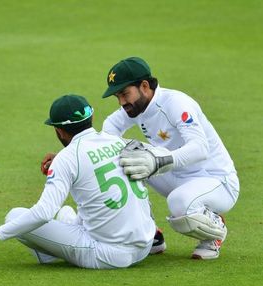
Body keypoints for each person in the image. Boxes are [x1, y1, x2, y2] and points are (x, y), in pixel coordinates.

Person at [0, 94, 156, 269]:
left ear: (59, 131)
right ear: (91, 118)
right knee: (65, 213)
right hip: (144, 246)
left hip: (108, 255)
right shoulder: (116, 141)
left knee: (14, 216)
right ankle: (53, 249)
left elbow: (44, 212)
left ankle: (49, 254)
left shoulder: (68, 157)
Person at [100, 57, 240, 260]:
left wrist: (158, 160)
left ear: (144, 86)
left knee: (178, 203)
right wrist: (68, 157)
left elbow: (200, 148)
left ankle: (214, 230)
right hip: (176, 176)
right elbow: (107, 133)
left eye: (124, 94)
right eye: (118, 97)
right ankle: (149, 234)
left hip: (217, 181)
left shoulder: (176, 103)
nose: (122, 102)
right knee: (122, 155)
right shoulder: (136, 107)